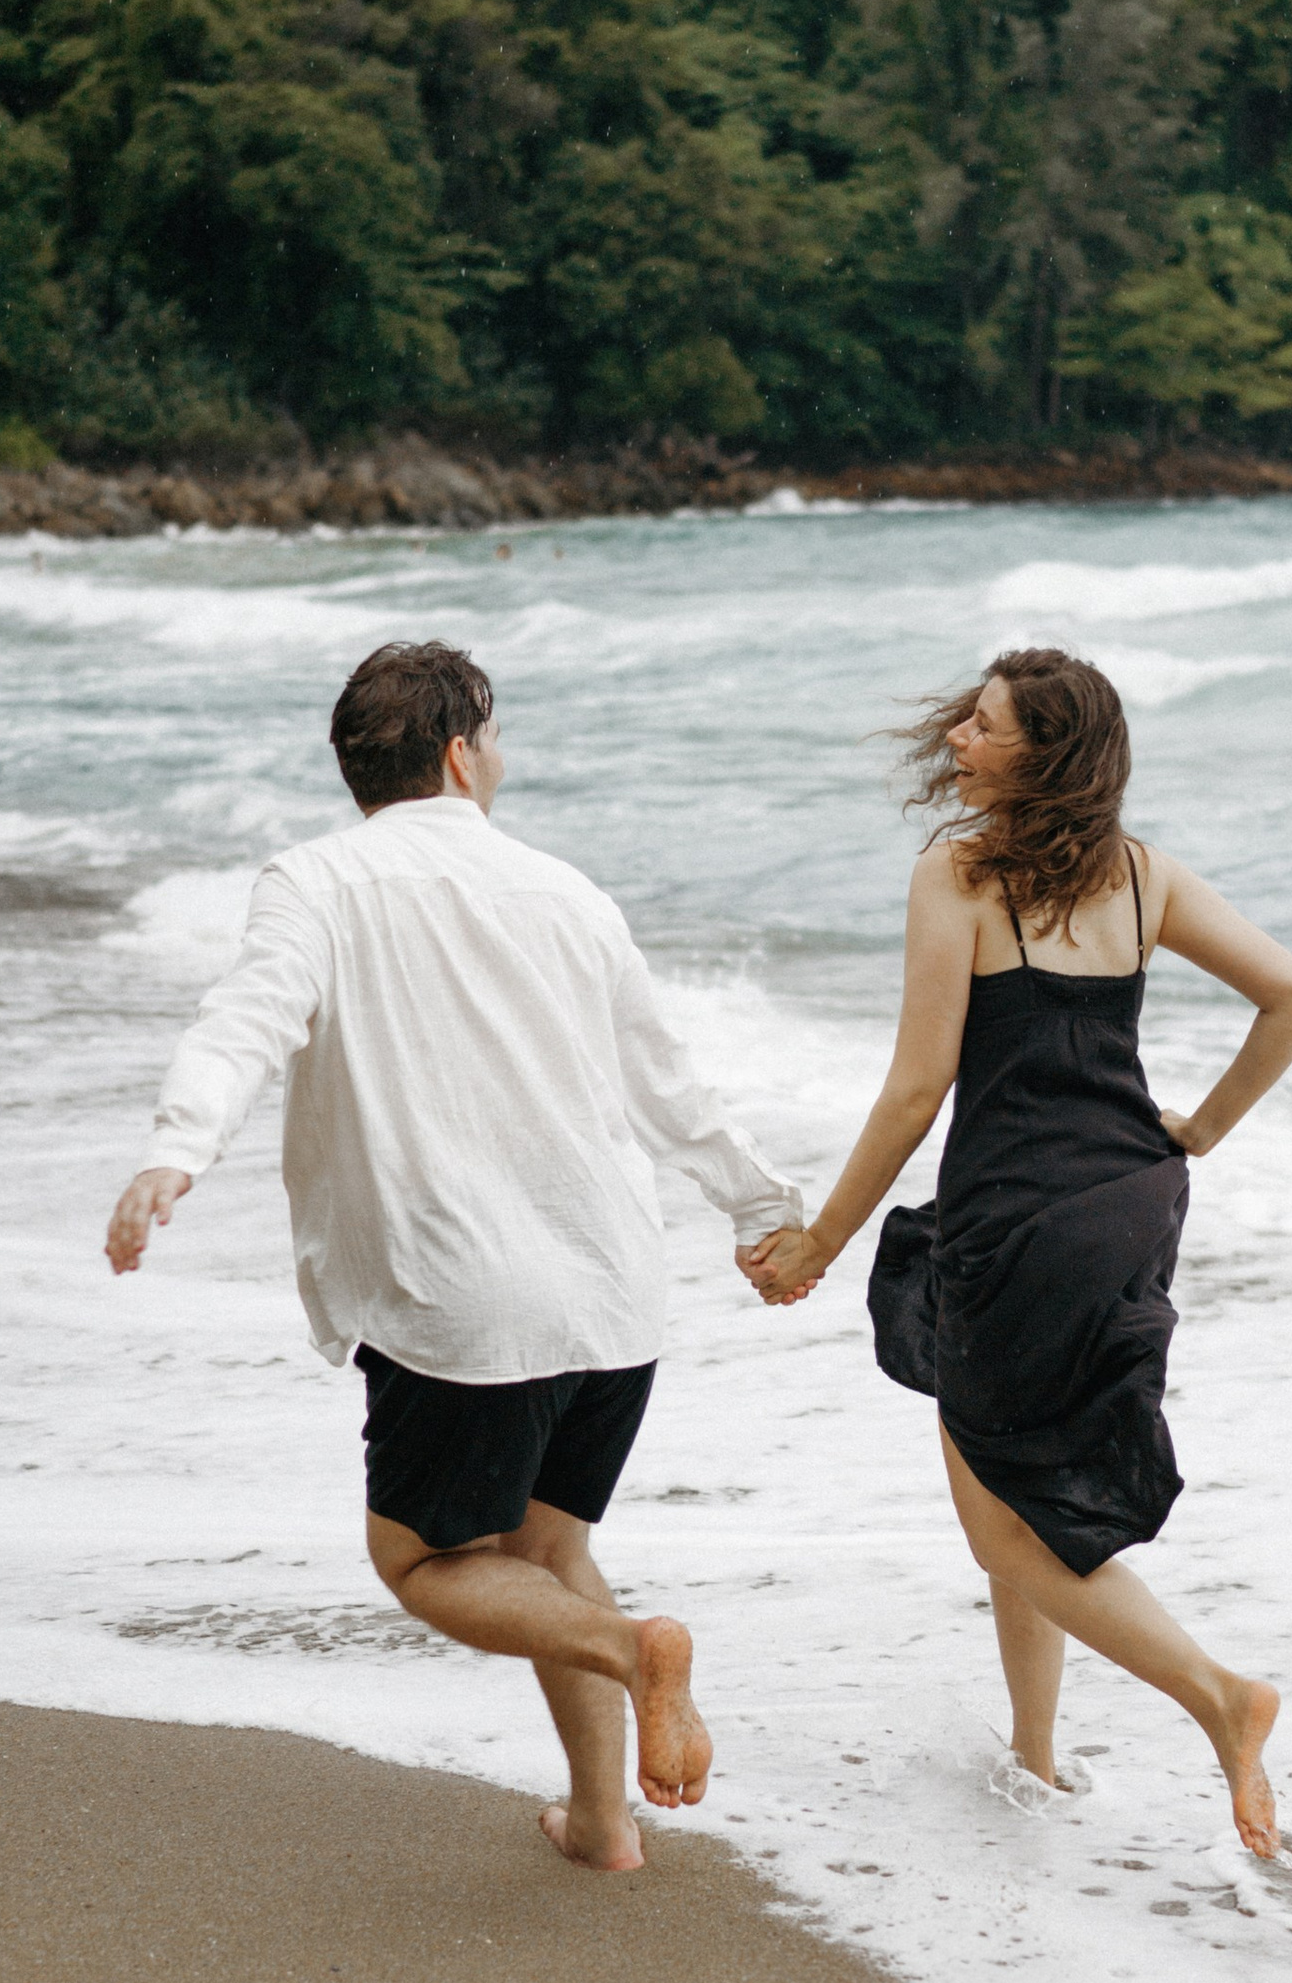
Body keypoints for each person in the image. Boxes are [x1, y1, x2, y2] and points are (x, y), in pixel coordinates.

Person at [103, 639, 801, 1877]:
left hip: (464, 1305)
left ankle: (637, 1651)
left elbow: (247, 1018)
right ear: (460, 752)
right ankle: (600, 1825)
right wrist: (758, 1210)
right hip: (615, 1293)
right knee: (547, 1551)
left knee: (421, 1560)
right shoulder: (567, 891)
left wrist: (176, 1148)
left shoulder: (316, 881)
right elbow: (667, 1085)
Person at [745, 646, 1292, 1856]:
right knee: (1031, 1481)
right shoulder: (1145, 878)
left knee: (1001, 1524)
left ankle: (1224, 1699)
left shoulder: (957, 874)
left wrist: (817, 1242)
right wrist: (1200, 1132)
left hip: (1012, 1224)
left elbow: (916, 1091)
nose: (956, 737)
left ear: (1041, 755)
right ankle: (1034, 1758)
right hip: (1127, 1207)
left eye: (985, 726)